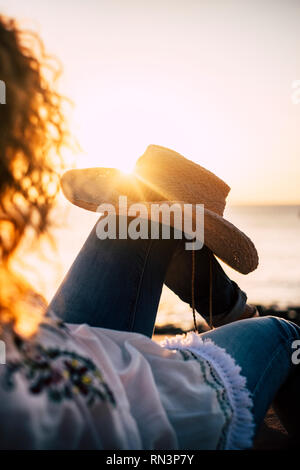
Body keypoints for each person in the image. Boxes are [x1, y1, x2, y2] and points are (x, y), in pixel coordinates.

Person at [0, 15, 299, 450]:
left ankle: (172, 233)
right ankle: (219, 296)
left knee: (132, 218)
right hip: (71, 395)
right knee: (282, 335)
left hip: (36, 351)